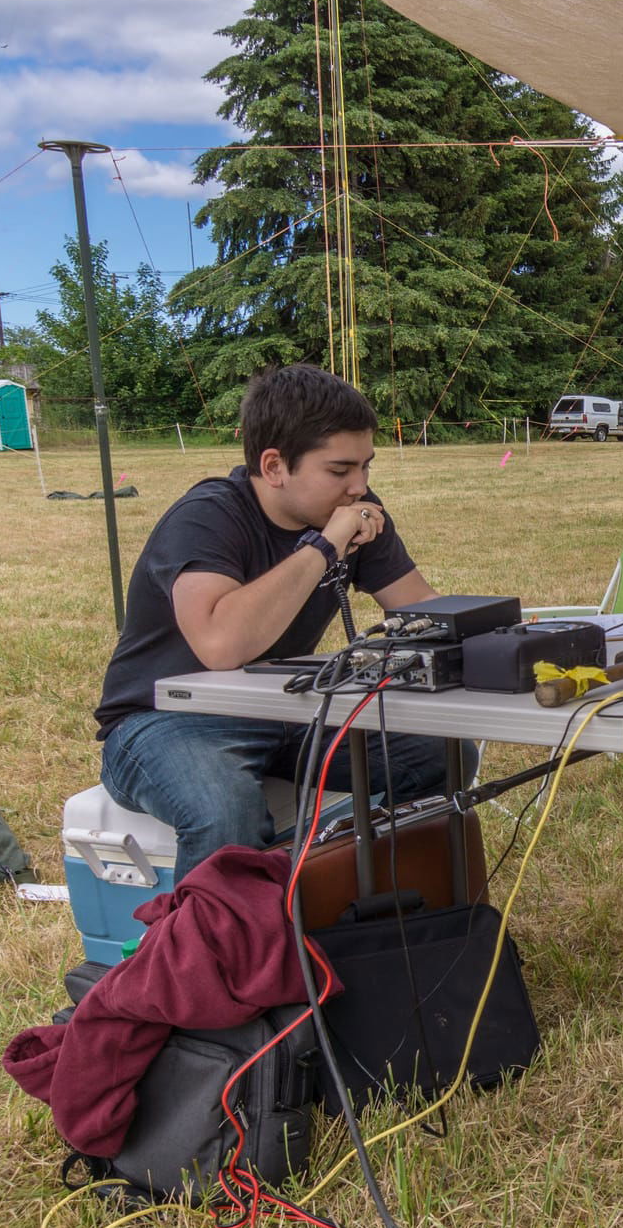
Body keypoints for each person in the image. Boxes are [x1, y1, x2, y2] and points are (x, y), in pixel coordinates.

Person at [95, 364, 461, 881]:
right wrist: (324, 546)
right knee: (224, 809)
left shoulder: (353, 513)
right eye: (339, 471)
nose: (358, 487)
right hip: (158, 721)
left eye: (366, 467)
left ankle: (393, 919)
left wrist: (502, 636)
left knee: (438, 754)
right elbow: (222, 645)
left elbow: (421, 608)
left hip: (283, 711)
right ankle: (221, 958)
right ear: (273, 466)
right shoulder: (207, 517)